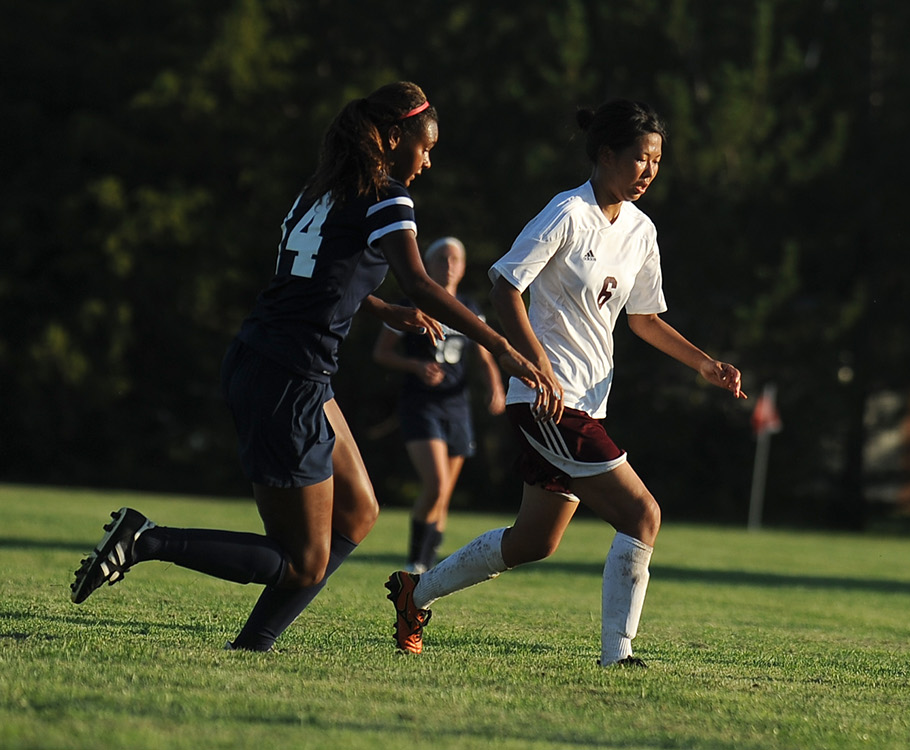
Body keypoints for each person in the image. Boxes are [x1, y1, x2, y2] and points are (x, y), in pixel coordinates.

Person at [69, 82, 563, 652]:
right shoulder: (387, 195)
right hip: (290, 378)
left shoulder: (321, 189)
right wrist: (503, 346)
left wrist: (382, 308)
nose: (428, 160)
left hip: (276, 364)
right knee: (303, 562)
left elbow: (315, 274)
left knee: (358, 513)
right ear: (394, 138)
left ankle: (254, 644)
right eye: (425, 148)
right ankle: (146, 541)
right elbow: (421, 280)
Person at [384, 99, 745, 665]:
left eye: (656, 161)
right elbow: (505, 284)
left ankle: (414, 593)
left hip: (588, 404)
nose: (649, 171)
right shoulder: (567, 212)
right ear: (605, 155)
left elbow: (644, 318)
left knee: (535, 541)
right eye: (639, 159)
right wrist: (537, 363)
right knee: (642, 514)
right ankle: (618, 655)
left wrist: (702, 364)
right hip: (550, 401)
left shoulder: (641, 230)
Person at [372, 236, 506, 574]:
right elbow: (381, 353)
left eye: (455, 259)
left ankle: (429, 564)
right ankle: (416, 559)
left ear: (462, 268)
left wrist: (496, 388)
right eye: (442, 258)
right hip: (421, 405)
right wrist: (415, 366)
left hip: (457, 406)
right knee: (436, 485)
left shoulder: (469, 308)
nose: (449, 265)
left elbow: (485, 356)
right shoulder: (410, 304)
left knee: (444, 495)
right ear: (427, 265)